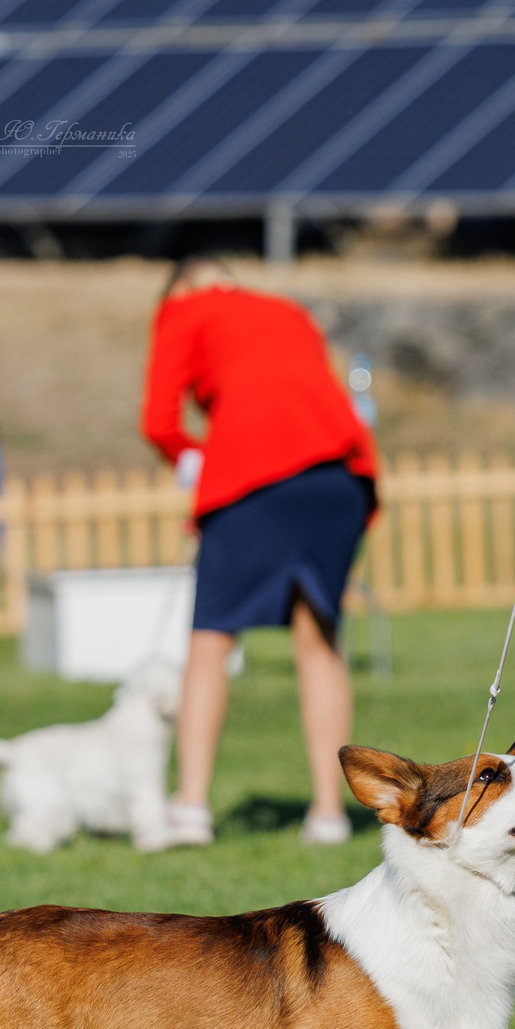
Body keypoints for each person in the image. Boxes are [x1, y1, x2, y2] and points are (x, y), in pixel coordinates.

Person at [140, 256, 380, 850]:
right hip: (339, 479)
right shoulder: (289, 312)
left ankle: (191, 808)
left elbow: (159, 421)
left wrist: (199, 462)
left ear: (181, 287)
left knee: (211, 640)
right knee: (319, 639)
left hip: (251, 480)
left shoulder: (182, 310)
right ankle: (328, 813)